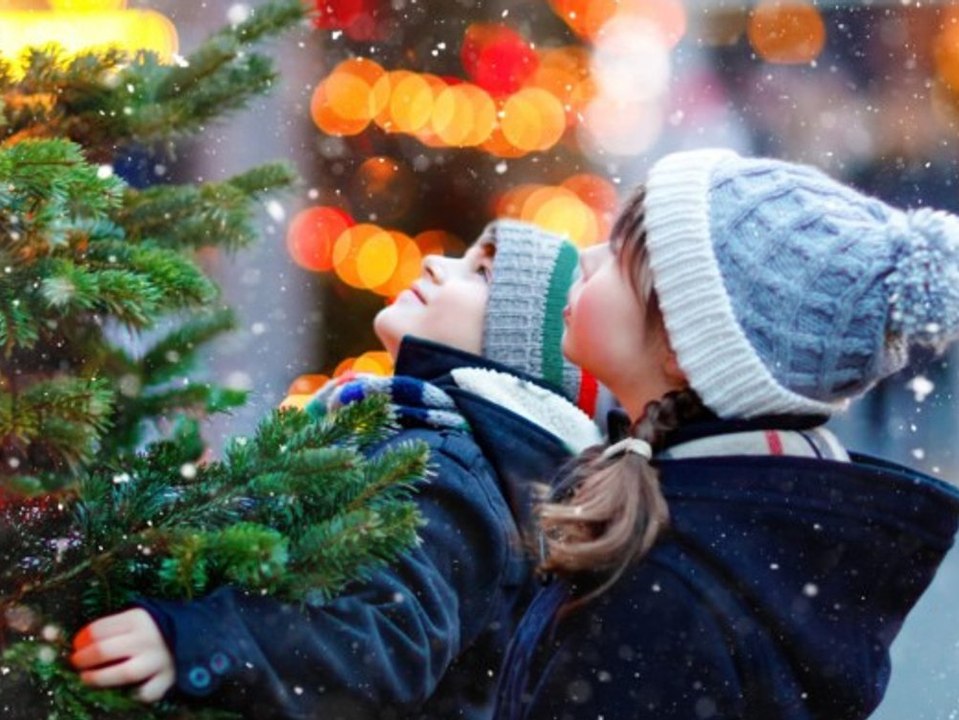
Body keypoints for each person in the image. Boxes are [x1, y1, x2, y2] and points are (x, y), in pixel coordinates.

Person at [69, 219, 603, 719]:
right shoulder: (425, 441)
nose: (435, 263)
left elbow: (379, 643)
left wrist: (198, 641)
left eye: (481, 272)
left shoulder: (444, 468)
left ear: (514, 351)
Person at [495, 149, 959, 720]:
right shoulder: (746, 534)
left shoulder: (658, 596)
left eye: (617, 257)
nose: (586, 258)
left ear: (680, 341)